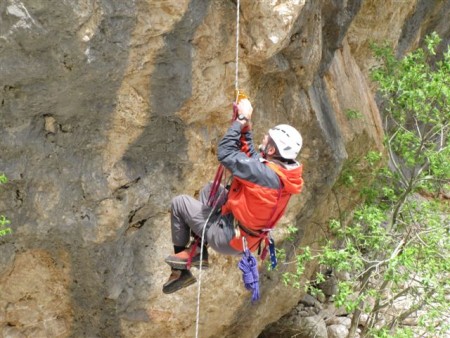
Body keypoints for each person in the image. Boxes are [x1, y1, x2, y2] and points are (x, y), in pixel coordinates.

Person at [162, 98, 304, 294]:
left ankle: (180, 269)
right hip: (244, 237)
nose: (263, 137)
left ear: (271, 150)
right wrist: (246, 128)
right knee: (210, 190)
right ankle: (199, 252)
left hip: (229, 237)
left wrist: (240, 119)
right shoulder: (280, 174)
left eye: (267, 138)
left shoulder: (264, 175)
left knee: (180, 204)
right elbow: (253, 158)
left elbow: (226, 153)